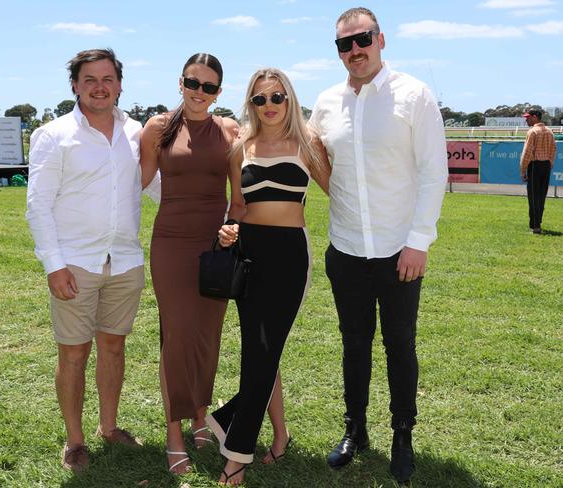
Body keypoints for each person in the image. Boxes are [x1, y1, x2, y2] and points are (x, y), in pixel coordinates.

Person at [309, 7, 448, 484]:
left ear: (381, 39)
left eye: (362, 39)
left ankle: (403, 434)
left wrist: (418, 242)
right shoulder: (326, 102)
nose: (354, 50)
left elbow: (434, 173)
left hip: (399, 251)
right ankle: (356, 430)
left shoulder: (414, 95)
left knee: (400, 345)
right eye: (344, 44)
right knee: (354, 345)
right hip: (345, 248)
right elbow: (312, 160)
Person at [26, 48, 159, 472]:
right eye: (89, 80)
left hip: (124, 261)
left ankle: (108, 426)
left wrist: (211, 210)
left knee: (114, 348)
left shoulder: (137, 132)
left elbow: (155, 187)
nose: (99, 87)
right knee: (73, 354)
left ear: (120, 84)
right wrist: (54, 264)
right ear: (75, 86)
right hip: (76, 264)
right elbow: (38, 205)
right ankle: (74, 440)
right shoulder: (53, 135)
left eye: (107, 79)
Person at [206, 67, 331, 485]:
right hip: (250, 252)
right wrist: (228, 229)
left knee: (263, 353)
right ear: (251, 104)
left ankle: (235, 450)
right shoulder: (241, 147)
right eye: (260, 99)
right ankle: (279, 436)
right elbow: (237, 207)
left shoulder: (308, 143)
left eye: (276, 97)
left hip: (290, 256)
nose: (269, 106)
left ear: (289, 99)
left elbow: (342, 190)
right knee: (260, 354)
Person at [139, 53, 242, 474]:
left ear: (219, 92)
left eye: (210, 86)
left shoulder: (230, 130)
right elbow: (137, 183)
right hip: (170, 244)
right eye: (193, 83)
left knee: (206, 336)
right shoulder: (158, 128)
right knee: (176, 337)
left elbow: (238, 198)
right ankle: (174, 432)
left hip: (215, 246)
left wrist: (233, 229)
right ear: (179, 83)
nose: (200, 93)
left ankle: (202, 415)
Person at [520, 109, 556, 234]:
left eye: (528, 117)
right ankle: (537, 222)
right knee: (541, 196)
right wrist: (549, 163)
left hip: (535, 165)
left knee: (534, 196)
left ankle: (535, 226)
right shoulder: (550, 131)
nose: (526, 120)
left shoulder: (532, 132)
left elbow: (527, 153)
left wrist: (523, 170)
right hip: (546, 165)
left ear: (535, 117)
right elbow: (553, 150)